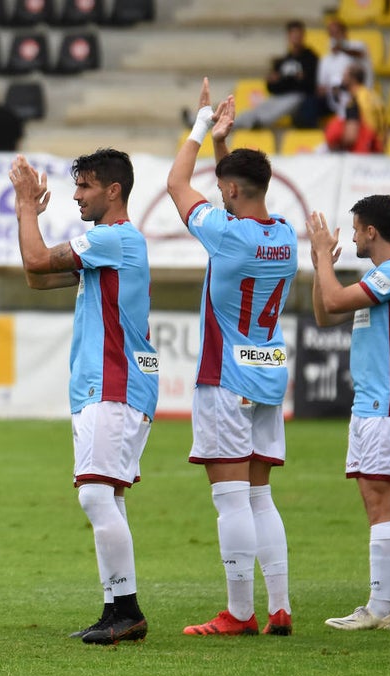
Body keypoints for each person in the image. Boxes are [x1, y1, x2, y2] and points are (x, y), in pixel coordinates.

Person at [8, 147, 158, 646]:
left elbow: (34, 257)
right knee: (106, 494)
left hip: (113, 383)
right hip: (109, 383)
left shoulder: (113, 239)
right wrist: (23, 211)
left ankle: (127, 609)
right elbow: (35, 276)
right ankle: (117, 608)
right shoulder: (109, 248)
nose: (76, 195)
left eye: (86, 187)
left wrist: (28, 206)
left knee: (96, 494)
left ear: (113, 191)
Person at [167, 78, 298, 638]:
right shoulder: (284, 235)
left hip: (225, 378)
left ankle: (240, 614)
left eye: (224, 190)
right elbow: (236, 195)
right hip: (268, 373)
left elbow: (175, 183)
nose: (217, 196)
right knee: (261, 495)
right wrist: (226, 146)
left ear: (233, 193)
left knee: (230, 498)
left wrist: (200, 126)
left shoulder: (228, 235)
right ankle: (281, 606)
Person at [307, 195, 390, 631]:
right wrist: (319, 265)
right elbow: (325, 313)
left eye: (356, 229)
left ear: (372, 231)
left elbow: (336, 301)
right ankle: (384, 607)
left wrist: (324, 258)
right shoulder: (379, 277)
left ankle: (385, 609)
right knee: (372, 498)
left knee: (382, 500)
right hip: (371, 405)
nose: (353, 235)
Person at [233, 20, 320, 130]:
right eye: (293, 34)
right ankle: (232, 122)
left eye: (298, 34)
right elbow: (273, 87)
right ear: (288, 36)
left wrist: (286, 80)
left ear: (303, 35)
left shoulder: (311, 58)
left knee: (288, 102)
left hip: (300, 97)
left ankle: (260, 122)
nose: (296, 38)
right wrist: (275, 81)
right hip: (281, 95)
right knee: (262, 106)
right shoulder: (284, 60)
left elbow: (309, 84)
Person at [323, 64, 386, 154]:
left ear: (352, 79)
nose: (342, 79)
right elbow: (386, 128)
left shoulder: (354, 101)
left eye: (344, 76)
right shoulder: (374, 97)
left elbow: (352, 135)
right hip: (378, 150)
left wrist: (335, 144)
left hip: (363, 152)